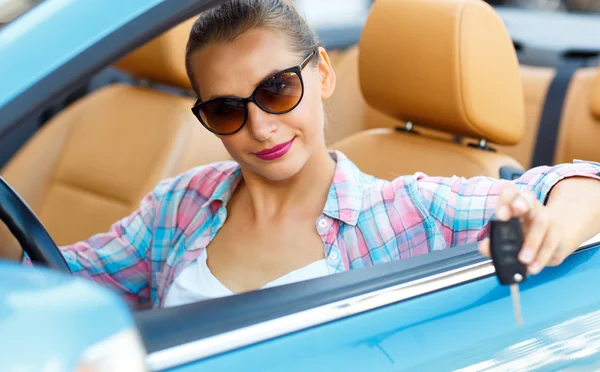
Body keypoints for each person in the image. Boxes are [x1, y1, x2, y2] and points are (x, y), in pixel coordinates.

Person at [14, 0, 600, 308]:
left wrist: (553, 222)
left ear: (321, 73)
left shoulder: (401, 209)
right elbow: (62, 278)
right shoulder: (182, 203)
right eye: (226, 109)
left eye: (276, 90)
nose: (261, 127)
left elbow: (581, 183)